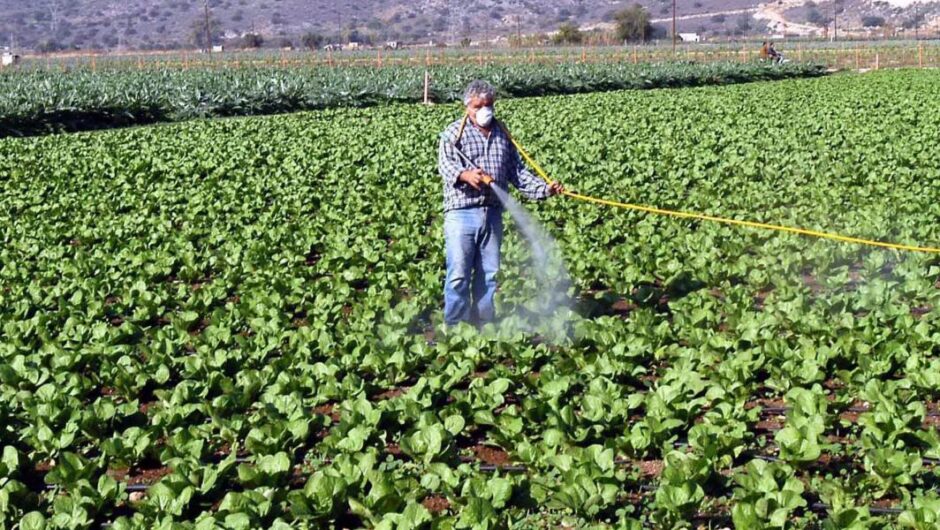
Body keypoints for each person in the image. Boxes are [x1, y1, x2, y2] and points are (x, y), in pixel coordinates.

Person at [437, 80, 565, 328]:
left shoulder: (502, 134)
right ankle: (454, 327)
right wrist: (466, 175)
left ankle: (484, 323)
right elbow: (446, 165)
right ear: (467, 107)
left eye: (489, 105)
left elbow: (517, 172)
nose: (485, 110)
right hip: (462, 213)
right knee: (458, 275)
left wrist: (546, 188)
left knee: (489, 274)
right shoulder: (453, 134)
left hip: (493, 212)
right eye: (478, 106)